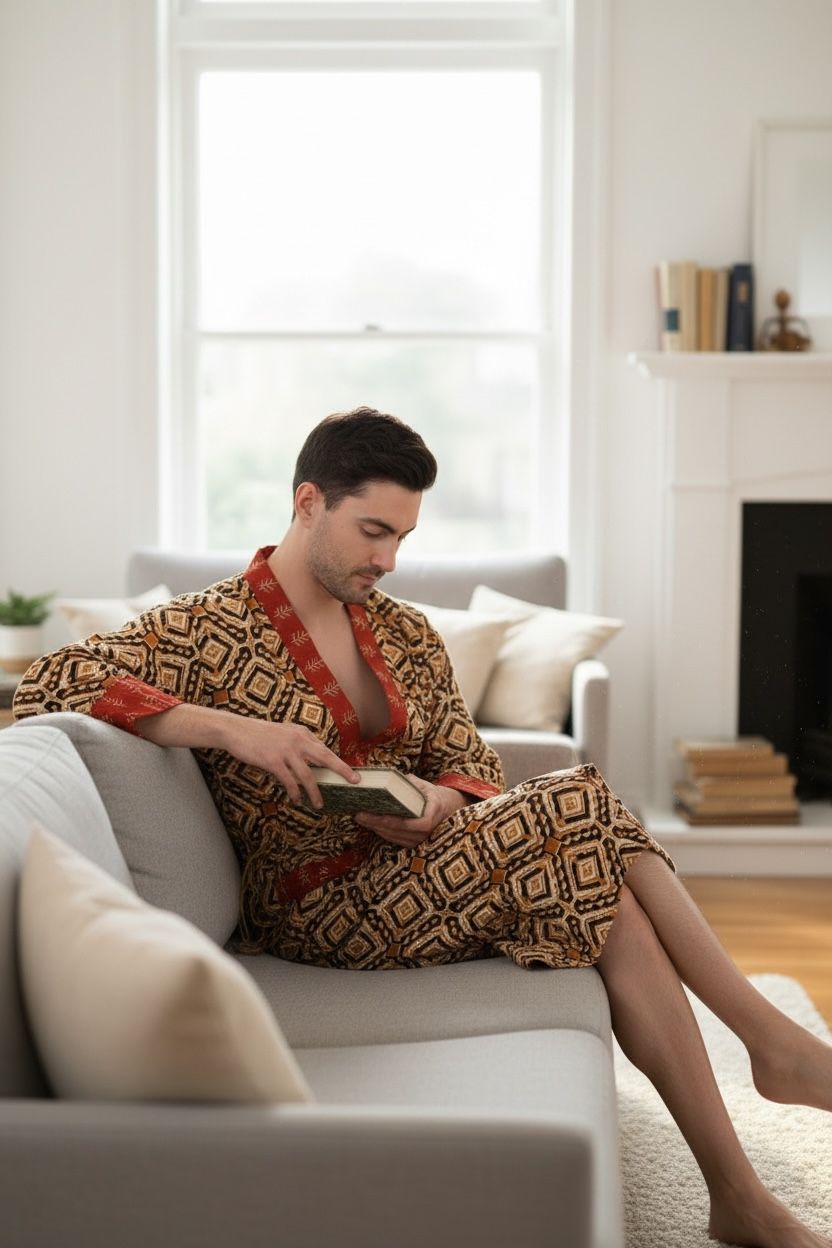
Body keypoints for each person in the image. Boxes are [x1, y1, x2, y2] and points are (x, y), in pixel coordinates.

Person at [13, 406, 832, 1248]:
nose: (388, 559)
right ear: (307, 503)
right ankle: (772, 1045)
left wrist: (443, 800)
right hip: (313, 909)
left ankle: (737, 1194)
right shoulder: (203, 628)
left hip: (424, 874)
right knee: (579, 800)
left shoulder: (405, 630)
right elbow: (51, 682)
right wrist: (232, 730)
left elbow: (469, 761)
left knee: (611, 896)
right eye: (373, 532)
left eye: (402, 537)